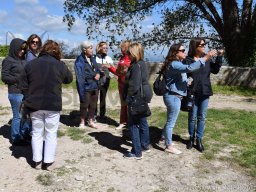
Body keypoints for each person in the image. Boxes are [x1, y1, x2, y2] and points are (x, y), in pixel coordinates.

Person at [19, 40, 73, 170]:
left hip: (34, 104)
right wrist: (62, 65)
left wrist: (28, 97)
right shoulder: (59, 64)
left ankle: (37, 161)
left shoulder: (31, 64)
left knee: (37, 133)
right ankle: (48, 163)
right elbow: (69, 79)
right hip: (52, 104)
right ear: (56, 51)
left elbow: (22, 85)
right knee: (50, 133)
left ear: (43, 49)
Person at [161, 43, 217, 155]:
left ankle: (164, 137)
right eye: (182, 50)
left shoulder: (177, 63)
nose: (185, 51)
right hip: (173, 97)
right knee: (171, 122)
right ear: (176, 53)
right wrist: (206, 57)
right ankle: (169, 145)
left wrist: (187, 82)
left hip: (174, 95)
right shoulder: (175, 64)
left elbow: (178, 79)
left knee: (170, 120)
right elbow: (189, 68)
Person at [184, 37, 224, 152]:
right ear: (195, 47)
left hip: (205, 91)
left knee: (202, 117)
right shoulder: (188, 60)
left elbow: (215, 70)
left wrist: (219, 56)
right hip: (192, 92)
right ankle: (191, 139)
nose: (204, 46)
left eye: (204, 44)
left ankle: (199, 140)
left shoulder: (206, 58)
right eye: (202, 45)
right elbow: (185, 74)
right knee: (192, 117)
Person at [123, 42, 152, 160]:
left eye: (129, 53)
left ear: (134, 53)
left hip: (136, 98)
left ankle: (136, 151)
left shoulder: (135, 66)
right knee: (142, 121)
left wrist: (128, 98)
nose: (127, 55)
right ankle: (145, 145)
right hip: (143, 96)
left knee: (134, 125)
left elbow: (134, 86)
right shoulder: (141, 64)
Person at [1, 38, 29, 145]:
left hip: (25, 92)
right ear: (14, 48)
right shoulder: (8, 60)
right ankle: (16, 138)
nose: (22, 51)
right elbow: (4, 77)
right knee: (18, 116)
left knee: (25, 115)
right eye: (20, 49)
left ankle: (22, 135)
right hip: (15, 92)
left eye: (24, 49)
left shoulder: (23, 60)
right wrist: (19, 78)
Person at [103, 40, 131, 129]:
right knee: (123, 104)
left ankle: (131, 123)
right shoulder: (122, 58)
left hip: (129, 84)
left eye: (122, 47)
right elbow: (118, 72)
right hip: (121, 84)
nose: (120, 49)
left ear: (126, 48)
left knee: (130, 104)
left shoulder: (131, 58)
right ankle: (123, 122)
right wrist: (110, 67)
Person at [74, 41, 100, 129]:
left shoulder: (92, 58)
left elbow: (96, 69)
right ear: (84, 49)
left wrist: (98, 74)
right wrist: (93, 76)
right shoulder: (79, 61)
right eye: (90, 48)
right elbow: (80, 75)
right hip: (86, 86)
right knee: (84, 105)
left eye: (92, 47)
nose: (92, 49)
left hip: (94, 86)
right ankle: (82, 121)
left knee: (93, 105)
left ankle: (91, 120)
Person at [95, 41, 114, 119]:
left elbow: (112, 69)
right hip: (96, 79)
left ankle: (102, 114)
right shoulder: (94, 58)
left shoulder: (108, 58)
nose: (106, 49)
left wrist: (110, 76)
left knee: (103, 97)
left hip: (106, 80)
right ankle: (94, 114)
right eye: (104, 48)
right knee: (95, 97)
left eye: (107, 48)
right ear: (99, 48)